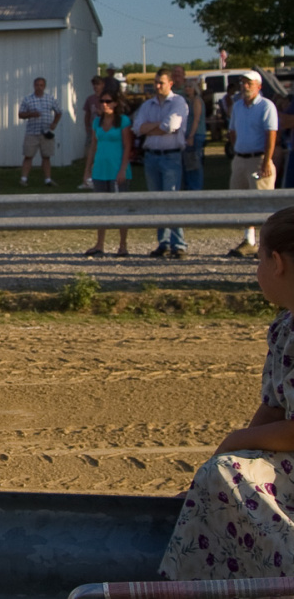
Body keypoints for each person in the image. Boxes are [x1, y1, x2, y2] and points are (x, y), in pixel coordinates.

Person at [159, 207, 294, 580]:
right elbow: (272, 410)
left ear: (277, 263)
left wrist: (234, 443)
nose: (258, 271)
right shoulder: (284, 328)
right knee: (222, 471)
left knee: (226, 473)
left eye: (259, 260)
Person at [131, 67, 189, 259]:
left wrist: (150, 127)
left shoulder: (178, 102)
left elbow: (171, 126)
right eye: (155, 82)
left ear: (170, 84)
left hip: (171, 156)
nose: (157, 86)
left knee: (171, 199)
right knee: (157, 200)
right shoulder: (148, 105)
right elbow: (137, 128)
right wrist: (159, 126)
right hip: (151, 156)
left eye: (161, 83)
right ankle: (163, 243)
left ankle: (178, 244)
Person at [227, 71, 278, 258]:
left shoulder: (266, 106)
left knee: (261, 202)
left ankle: (267, 243)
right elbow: (232, 131)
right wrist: (237, 150)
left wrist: (266, 161)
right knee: (241, 200)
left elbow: (271, 134)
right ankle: (249, 240)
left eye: (249, 83)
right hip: (240, 159)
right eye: (243, 83)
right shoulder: (237, 106)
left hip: (259, 159)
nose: (245, 86)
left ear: (259, 86)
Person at [81, 91, 132, 258]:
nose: (104, 104)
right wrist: (87, 169)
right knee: (101, 208)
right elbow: (93, 146)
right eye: (102, 101)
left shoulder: (123, 121)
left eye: (108, 101)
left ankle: (123, 245)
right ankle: (99, 244)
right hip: (100, 170)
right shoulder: (97, 121)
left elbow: (127, 146)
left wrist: (123, 169)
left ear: (115, 103)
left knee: (121, 208)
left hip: (117, 169)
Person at [18, 76, 62, 187]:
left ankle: (48, 180)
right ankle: (23, 179)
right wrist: (31, 114)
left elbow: (58, 112)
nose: (39, 87)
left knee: (46, 157)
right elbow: (20, 114)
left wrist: (54, 123)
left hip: (46, 132)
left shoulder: (50, 98)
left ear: (45, 86)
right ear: (34, 86)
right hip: (32, 132)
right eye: (37, 85)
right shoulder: (28, 99)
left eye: (41, 85)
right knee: (28, 156)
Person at [79, 75, 104, 189]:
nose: (96, 87)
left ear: (103, 85)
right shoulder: (90, 99)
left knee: (100, 155)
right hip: (92, 130)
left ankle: (98, 179)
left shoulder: (106, 99)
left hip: (102, 130)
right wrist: (87, 127)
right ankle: (88, 179)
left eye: (98, 84)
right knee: (89, 154)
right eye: (94, 84)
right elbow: (87, 114)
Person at [183, 76, 207, 191]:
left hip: (196, 135)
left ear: (195, 89)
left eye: (190, 87)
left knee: (194, 163)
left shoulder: (197, 101)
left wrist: (191, 136)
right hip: (188, 134)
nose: (187, 89)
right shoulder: (186, 101)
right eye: (186, 87)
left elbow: (196, 119)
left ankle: (196, 188)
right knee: (188, 163)